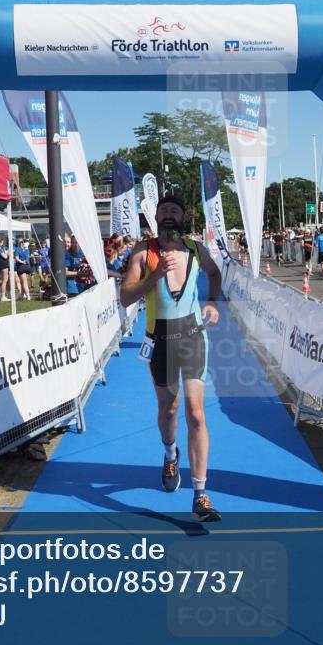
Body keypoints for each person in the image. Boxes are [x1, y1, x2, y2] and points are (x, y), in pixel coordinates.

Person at [119, 195, 223, 522]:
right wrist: (154, 276)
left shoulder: (194, 250)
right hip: (159, 339)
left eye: (174, 211)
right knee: (169, 409)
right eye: (163, 211)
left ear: (182, 217)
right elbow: (125, 297)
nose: (168, 215)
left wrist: (211, 302)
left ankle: (200, 495)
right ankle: (170, 453)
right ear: (156, 217)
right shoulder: (142, 251)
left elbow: (215, 274)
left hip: (193, 335)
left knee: (196, 413)